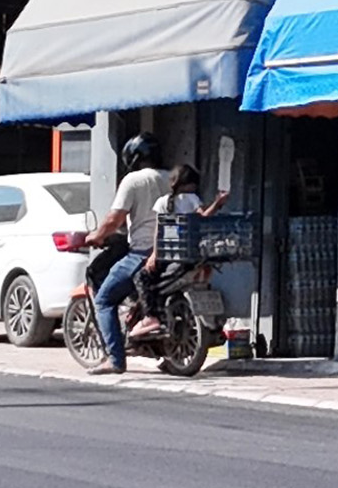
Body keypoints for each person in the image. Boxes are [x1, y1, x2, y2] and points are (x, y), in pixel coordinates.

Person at [80, 134, 164, 375]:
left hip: (142, 252)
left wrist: (97, 236)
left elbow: (114, 218)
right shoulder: (172, 177)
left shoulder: (133, 180)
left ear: (134, 158)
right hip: (172, 253)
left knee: (104, 300)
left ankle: (115, 359)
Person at [133, 162, 229, 338]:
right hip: (189, 253)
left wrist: (154, 255)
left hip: (168, 254)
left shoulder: (162, 202)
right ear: (188, 184)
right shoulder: (191, 199)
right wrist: (216, 204)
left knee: (141, 278)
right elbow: (203, 218)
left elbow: (159, 231)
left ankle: (150, 316)